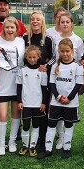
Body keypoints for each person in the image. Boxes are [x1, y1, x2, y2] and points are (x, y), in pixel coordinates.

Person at [40, 38, 83, 159]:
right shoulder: (55, 66)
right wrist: (58, 97)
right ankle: (48, 149)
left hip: (71, 103)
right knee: (51, 123)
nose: (65, 54)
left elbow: (78, 84)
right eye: (62, 51)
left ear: (72, 51)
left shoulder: (77, 66)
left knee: (69, 125)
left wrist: (69, 98)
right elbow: (52, 83)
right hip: (56, 102)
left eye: (67, 51)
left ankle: (66, 148)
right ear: (58, 51)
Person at [22, 11, 55, 158]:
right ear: (30, 21)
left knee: (42, 107)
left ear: (42, 22)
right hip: (28, 78)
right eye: (33, 19)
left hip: (43, 78)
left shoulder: (48, 39)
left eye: (38, 19)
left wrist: (46, 66)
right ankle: (26, 142)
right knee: (28, 107)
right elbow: (21, 57)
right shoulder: (24, 38)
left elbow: (54, 57)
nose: (35, 21)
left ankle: (41, 140)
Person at [0, 17, 25, 155]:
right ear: (3, 28)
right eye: (7, 27)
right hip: (2, 85)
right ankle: (1, 144)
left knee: (16, 114)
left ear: (16, 29)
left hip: (17, 84)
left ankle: (11, 142)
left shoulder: (21, 42)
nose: (10, 30)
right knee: (3, 115)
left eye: (12, 27)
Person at [16, 45, 48, 157]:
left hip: (37, 104)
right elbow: (19, 87)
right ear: (26, 57)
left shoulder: (42, 71)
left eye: (34, 57)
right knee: (25, 125)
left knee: (36, 125)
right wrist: (19, 101)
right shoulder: (22, 70)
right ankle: (25, 146)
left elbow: (44, 88)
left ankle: (33, 146)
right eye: (30, 57)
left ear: (38, 57)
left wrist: (44, 102)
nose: (32, 59)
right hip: (26, 103)